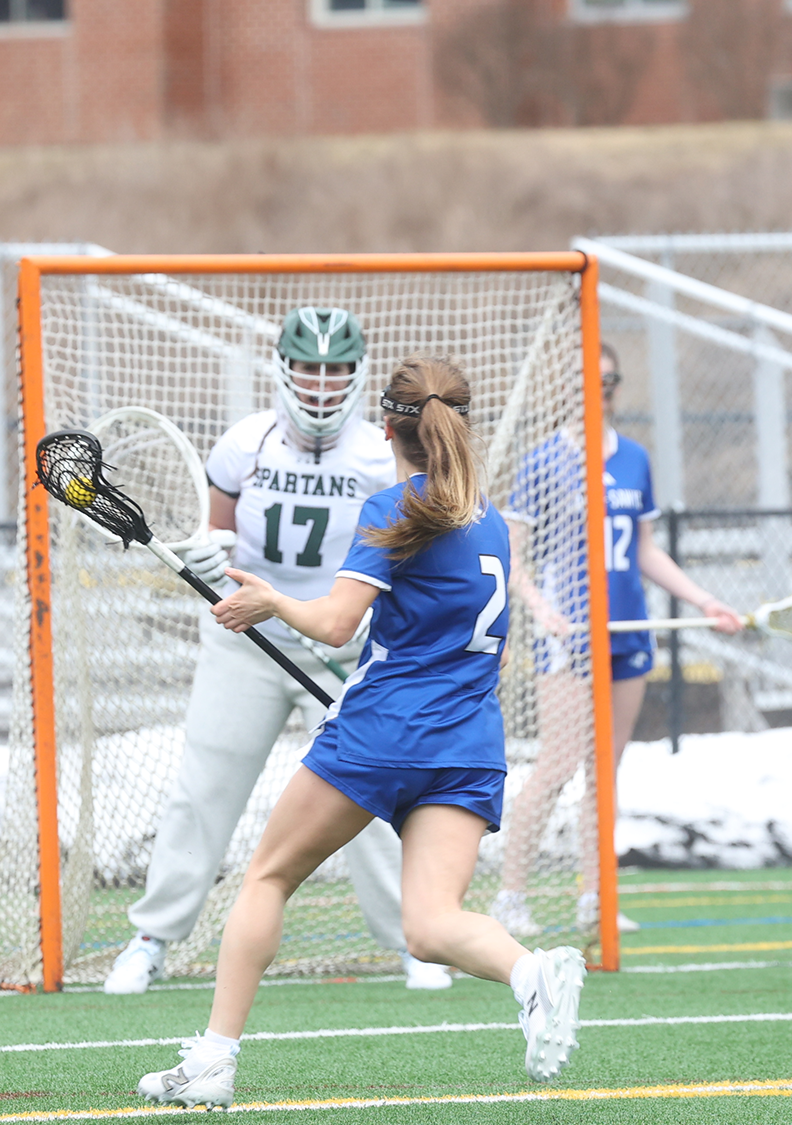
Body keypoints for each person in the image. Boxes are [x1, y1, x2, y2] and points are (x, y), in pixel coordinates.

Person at [136, 356, 588, 1108]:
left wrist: (272, 601)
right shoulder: (494, 524)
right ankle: (528, 973)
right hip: (470, 742)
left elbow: (338, 623)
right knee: (430, 924)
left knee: (268, 876)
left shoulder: (393, 509)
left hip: (382, 733)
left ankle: (213, 1060)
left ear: (388, 428)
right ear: (458, 425)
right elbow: (491, 646)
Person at [105, 307, 450, 995]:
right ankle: (153, 935)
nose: (321, 385)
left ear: (357, 376)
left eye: (335, 371)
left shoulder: (381, 457)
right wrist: (208, 554)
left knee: (377, 793)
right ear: (283, 369)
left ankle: (415, 937)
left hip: (346, 641)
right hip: (248, 637)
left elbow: (408, 554)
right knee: (205, 788)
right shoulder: (244, 444)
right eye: (309, 369)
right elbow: (218, 539)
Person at [491, 343, 742, 938]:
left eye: (610, 381)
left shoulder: (633, 459)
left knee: (606, 772)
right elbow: (514, 559)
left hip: (626, 628)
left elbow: (645, 550)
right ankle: (510, 896)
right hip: (568, 636)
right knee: (556, 766)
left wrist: (703, 600)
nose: (600, 392)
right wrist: (542, 611)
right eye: (588, 381)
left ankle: (595, 897)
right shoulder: (544, 462)